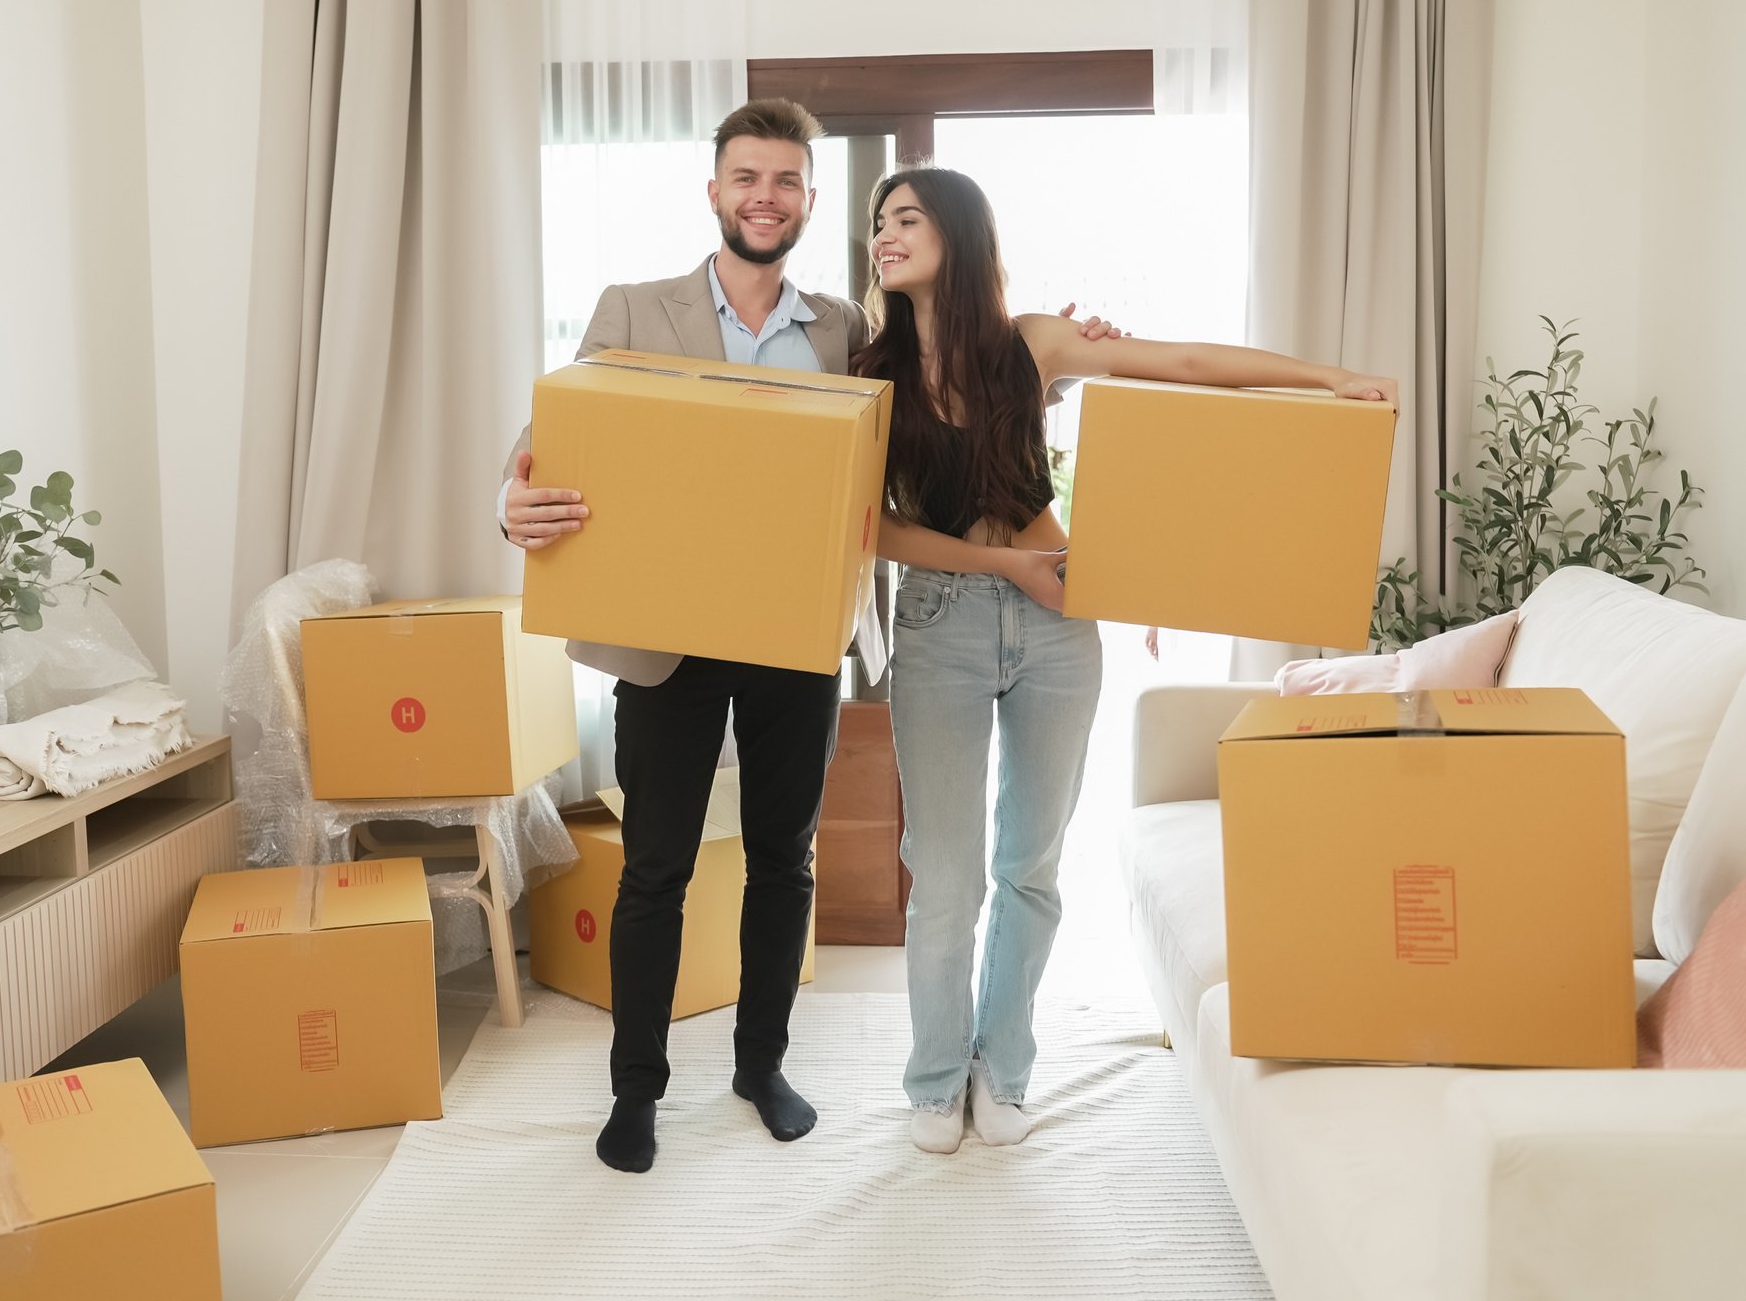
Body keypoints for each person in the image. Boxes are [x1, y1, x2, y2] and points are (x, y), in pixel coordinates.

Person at [500, 100, 1121, 1173]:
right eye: (747, 178)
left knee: (785, 862)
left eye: (785, 182)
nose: (764, 197)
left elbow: (952, 382)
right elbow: (551, 443)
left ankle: (759, 1065)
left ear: (806, 201)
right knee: (656, 868)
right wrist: (511, 503)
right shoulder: (634, 308)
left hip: (795, 640)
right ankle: (634, 1091)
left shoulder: (844, 331)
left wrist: (1056, 350)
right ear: (715, 192)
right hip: (665, 639)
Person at [851, 166, 1397, 1153]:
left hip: (1063, 621)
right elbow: (872, 531)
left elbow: (1182, 367)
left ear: (959, 234)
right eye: (876, 224)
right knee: (944, 878)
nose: (882, 236)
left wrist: (1326, 380)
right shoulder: (867, 368)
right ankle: (935, 1081)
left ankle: (1003, 1070)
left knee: (1032, 866)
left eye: (905, 218)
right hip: (942, 619)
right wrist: (1002, 565)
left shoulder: (1033, 345)